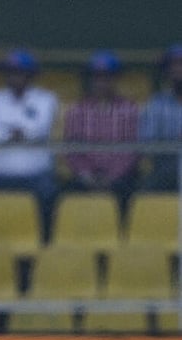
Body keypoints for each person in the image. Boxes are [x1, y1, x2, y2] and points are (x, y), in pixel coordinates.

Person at [0, 49, 60, 241]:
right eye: (11, 72)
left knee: (51, 193)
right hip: (0, 175)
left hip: (36, 175)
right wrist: (15, 133)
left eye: (20, 72)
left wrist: (9, 133)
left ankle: (44, 247)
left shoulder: (46, 99)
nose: (15, 77)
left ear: (30, 75)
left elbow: (38, 130)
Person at [63, 50, 140, 216]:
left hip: (120, 178)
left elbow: (132, 150)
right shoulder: (77, 110)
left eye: (107, 76)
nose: (102, 81)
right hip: (85, 177)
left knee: (135, 194)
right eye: (97, 76)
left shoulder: (129, 109)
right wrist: (87, 176)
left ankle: (124, 241)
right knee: (61, 194)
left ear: (116, 79)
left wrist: (111, 177)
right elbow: (72, 150)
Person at [138, 44, 182, 191]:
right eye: (174, 64)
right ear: (167, 71)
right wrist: (172, 143)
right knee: (145, 192)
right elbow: (147, 144)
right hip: (166, 164)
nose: (178, 69)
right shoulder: (156, 104)